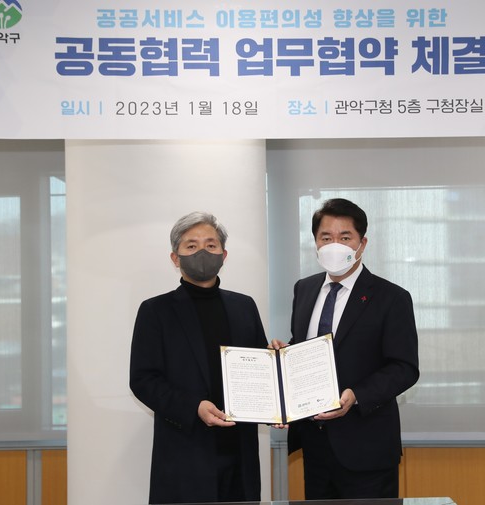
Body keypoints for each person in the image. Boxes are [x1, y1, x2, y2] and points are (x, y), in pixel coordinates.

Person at [272, 198, 419, 499]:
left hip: (367, 450)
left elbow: (404, 367)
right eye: (326, 237)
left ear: (362, 244)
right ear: (315, 242)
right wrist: (283, 357)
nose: (334, 245)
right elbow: (306, 348)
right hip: (315, 447)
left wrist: (356, 395)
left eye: (345, 237)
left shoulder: (391, 297)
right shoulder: (304, 289)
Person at [129, 211, 268, 504]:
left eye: (210, 245)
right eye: (191, 246)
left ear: (224, 255)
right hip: (185, 454)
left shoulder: (244, 306)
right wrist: (194, 407)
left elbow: (260, 370)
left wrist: (277, 386)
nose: (202, 252)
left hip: (240, 454)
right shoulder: (156, 311)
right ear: (175, 258)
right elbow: (143, 380)